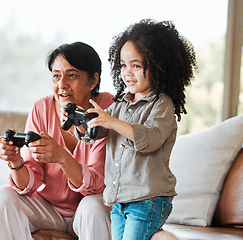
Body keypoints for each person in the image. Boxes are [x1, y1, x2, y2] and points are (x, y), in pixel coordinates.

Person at [74, 19, 198, 240]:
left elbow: (150, 139)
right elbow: (99, 130)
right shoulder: (121, 103)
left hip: (148, 200)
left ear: (159, 67)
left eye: (136, 65)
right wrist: (82, 121)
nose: (127, 73)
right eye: (123, 65)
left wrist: (111, 122)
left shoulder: (161, 104)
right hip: (119, 200)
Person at [0, 42, 114, 240]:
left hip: (90, 206)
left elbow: (97, 185)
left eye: (71, 75)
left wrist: (62, 158)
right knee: (4, 197)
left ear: (92, 81)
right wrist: (16, 163)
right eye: (56, 75)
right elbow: (29, 184)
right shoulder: (41, 108)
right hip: (49, 209)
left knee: (93, 207)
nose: (62, 85)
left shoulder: (107, 109)